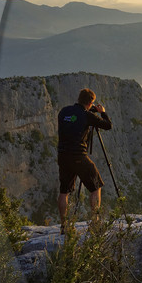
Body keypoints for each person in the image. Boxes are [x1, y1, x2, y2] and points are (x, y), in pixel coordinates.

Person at [56, 87, 112, 232]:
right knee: (95, 187)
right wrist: (102, 112)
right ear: (91, 102)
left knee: (64, 191)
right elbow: (108, 126)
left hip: (62, 155)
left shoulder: (63, 112)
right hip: (78, 156)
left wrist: (88, 112)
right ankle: (95, 222)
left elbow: (73, 123)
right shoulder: (86, 116)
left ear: (79, 99)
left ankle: (64, 225)